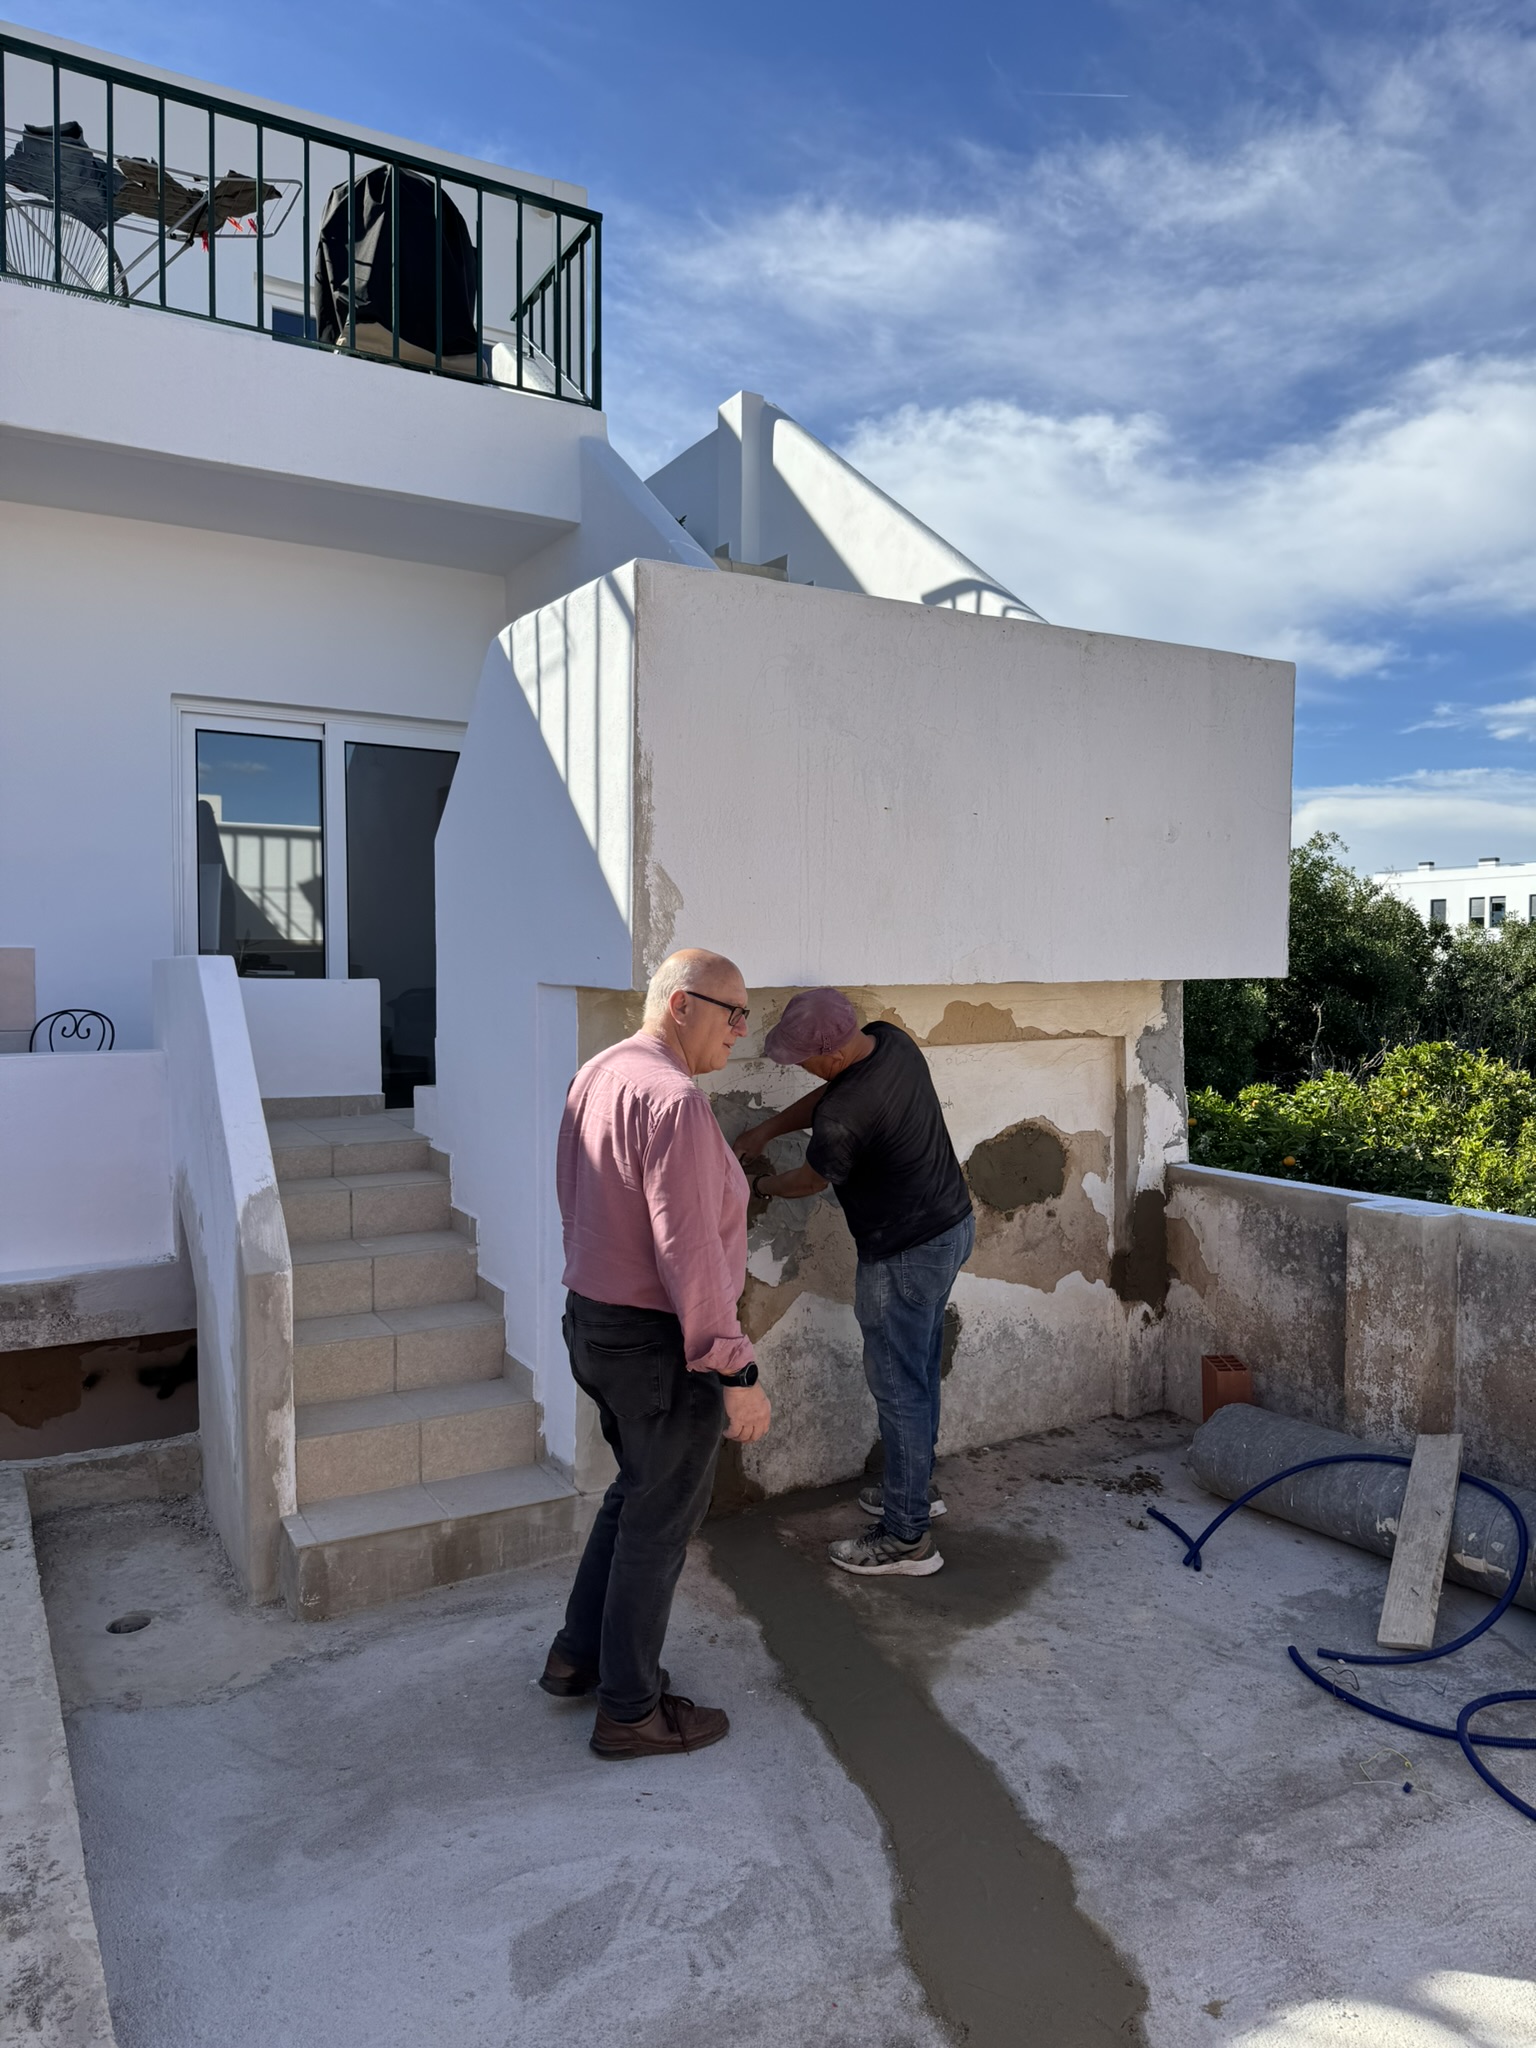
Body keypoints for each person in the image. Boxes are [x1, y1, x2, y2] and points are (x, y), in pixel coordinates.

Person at [539, 948, 772, 1760]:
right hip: (657, 1344)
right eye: (733, 1013)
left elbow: (577, 1201)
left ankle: (577, 1657)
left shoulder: (598, 1073)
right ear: (681, 1004)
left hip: (595, 1324)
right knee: (658, 1523)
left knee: (635, 1495)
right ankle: (630, 1711)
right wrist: (735, 1369)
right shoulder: (674, 1100)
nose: (741, 1030)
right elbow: (691, 1256)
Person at [734, 988, 973, 1578]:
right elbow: (830, 1094)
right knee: (918, 1373)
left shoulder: (844, 1119)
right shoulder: (890, 1041)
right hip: (951, 1228)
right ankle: (914, 1491)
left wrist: (757, 1187)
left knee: (899, 1388)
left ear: (833, 1054)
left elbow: (811, 1180)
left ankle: (906, 1538)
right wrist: (766, 1130)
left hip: (903, 1256)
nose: (800, 1068)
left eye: (804, 1060)